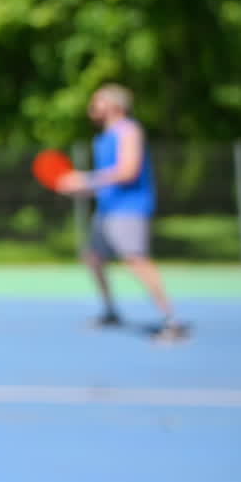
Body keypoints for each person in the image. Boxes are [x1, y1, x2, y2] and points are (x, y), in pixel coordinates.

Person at [55, 84, 187, 342]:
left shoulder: (129, 131)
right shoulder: (102, 138)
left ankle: (172, 320)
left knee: (136, 259)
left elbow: (128, 172)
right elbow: (107, 180)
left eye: (98, 101)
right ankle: (110, 311)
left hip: (130, 208)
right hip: (107, 209)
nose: (92, 107)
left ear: (116, 106)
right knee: (93, 257)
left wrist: (85, 180)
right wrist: (82, 188)